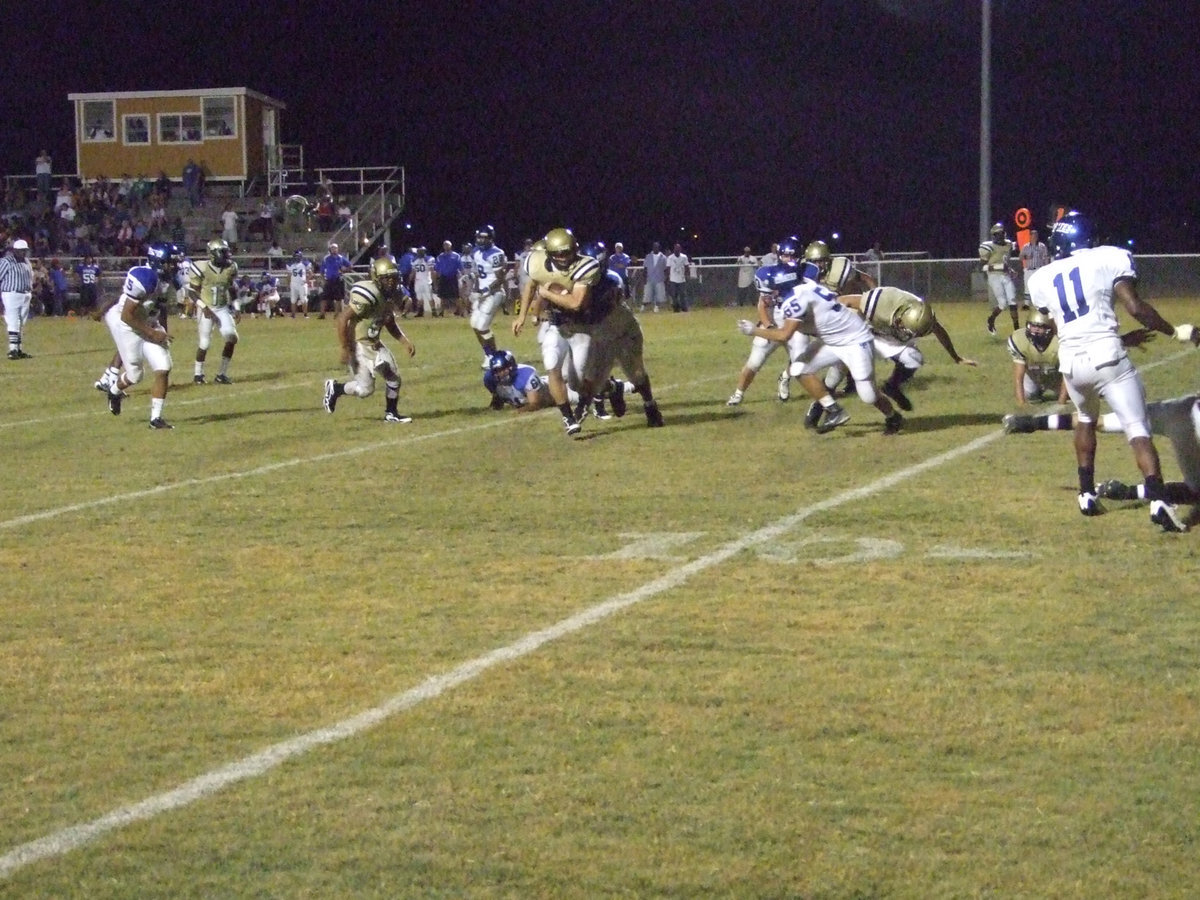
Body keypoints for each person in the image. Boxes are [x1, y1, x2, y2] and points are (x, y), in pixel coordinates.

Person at [1026, 210, 1199, 530]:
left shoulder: (1041, 278)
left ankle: (1086, 493)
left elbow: (1061, 326)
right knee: (1138, 427)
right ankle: (1159, 499)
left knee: (1086, 420)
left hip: (1073, 364)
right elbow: (1135, 307)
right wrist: (1175, 331)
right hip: (1107, 358)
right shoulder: (1109, 257)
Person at [738, 270, 903, 435]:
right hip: (832, 339)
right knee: (798, 369)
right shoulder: (803, 288)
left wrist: (754, 330)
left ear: (779, 288)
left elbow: (784, 335)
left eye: (767, 293)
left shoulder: (795, 301)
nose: (765, 298)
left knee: (868, 395)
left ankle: (893, 416)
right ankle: (834, 410)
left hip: (854, 340)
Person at [533, 227, 663, 430]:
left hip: (621, 332)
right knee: (583, 379)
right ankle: (612, 389)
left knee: (636, 374)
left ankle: (650, 405)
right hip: (598, 334)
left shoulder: (610, 282)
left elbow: (580, 306)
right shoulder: (578, 277)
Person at [1004, 393, 1200, 521]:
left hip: (1180, 409)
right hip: (1185, 418)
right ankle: (1129, 492)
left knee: (1095, 422)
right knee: (1195, 490)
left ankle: (1031, 423)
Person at [833, 286, 977, 416]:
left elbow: (940, 331)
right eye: (905, 329)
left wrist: (956, 357)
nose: (908, 335)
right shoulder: (882, 303)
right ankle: (822, 402)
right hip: (863, 330)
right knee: (838, 371)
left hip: (884, 335)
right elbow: (845, 300)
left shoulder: (922, 316)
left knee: (913, 358)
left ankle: (892, 387)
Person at [776, 239, 879, 401]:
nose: (819, 265)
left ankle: (835, 385)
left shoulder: (838, 270)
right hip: (808, 318)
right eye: (814, 262)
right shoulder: (802, 273)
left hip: (833, 315)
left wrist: (876, 294)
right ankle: (785, 377)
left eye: (821, 261)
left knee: (843, 347)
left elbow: (865, 278)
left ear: (828, 260)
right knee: (801, 353)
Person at [99, 242, 184, 429]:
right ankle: (114, 391)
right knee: (135, 376)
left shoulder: (170, 280)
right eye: (171, 262)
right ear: (159, 262)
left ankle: (155, 419)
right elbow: (126, 315)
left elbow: (160, 306)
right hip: (129, 326)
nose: (175, 266)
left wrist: (161, 329)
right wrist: (151, 332)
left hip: (149, 323)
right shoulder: (144, 277)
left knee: (163, 367)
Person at [322, 256, 416, 423]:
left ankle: (391, 414)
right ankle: (335, 388)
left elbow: (389, 320)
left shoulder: (391, 294)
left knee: (394, 378)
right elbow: (343, 319)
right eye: (387, 279)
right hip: (358, 345)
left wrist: (404, 341)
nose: (392, 283)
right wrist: (345, 347)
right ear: (377, 278)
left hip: (374, 344)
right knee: (364, 390)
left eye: (394, 278)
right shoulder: (368, 294)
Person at [726, 238, 805, 406]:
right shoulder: (772, 275)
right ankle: (738, 393)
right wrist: (767, 325)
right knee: (754, 362)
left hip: (796, 325)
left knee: (800, 363)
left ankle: (784, 377)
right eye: (784, 256)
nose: (788, 260)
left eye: (792, 256)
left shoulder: (805, 275)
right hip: (775, 322)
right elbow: (762, 303)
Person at [186, 238, 240, 384]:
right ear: (214, 253)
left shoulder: (231, 267)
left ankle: (221, 374)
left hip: (222, 308)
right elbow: (191, 292)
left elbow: (232, 288)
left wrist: (236, 307)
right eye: (223, 251)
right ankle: (198, 375)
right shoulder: (201, 267)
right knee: (204, 343)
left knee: (232, 337)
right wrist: (203, 307)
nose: (227, 254)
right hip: (207, 307)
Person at [1007, 309, 1067, 406]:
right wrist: (1021, 404)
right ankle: (1036, 391)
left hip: (1057, 375)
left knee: (1075, 393)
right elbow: (1018, 376)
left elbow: (1067, 374)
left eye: (1040, 326)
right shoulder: (1020, 340)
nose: (1036, 330)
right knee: (1029, 394)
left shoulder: (1061, 340)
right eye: (1033, 326)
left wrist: (1061, 402)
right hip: (1033, 375)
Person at [467, 226, 508, 364]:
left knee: (482, 325)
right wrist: (473, 279)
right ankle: (489, 354)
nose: (481, 240)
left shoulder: (496, 253)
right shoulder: (476, 252)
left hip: (494, 293)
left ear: (491, 238)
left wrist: (486, 290)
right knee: (474, 324)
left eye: (484, 237)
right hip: (483, 293)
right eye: (479, 237)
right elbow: (482, 271)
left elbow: (500, 278)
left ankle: (494, 356)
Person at [982, 221, 1019, 336]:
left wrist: (1009, 269)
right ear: (994, 236)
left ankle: (1017, 330)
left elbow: (1005, 261)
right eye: (998, 234)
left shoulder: (1008, 244)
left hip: (1005, 275)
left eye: (1002, 233)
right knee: (1002, 303)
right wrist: (999, 267)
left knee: (1012, 300)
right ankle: (991, 319)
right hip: (994, 276)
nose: (1001, 236)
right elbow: (983, 267)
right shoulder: (988, 247)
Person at [1, 238, 34, 359]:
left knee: (21, 322)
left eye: (24, 250)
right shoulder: (7, 261)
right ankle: (13, 349)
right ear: (14, 250)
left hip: (25, 294)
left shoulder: (26, 262)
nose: (23, 253)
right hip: (12, 293)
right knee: (13, 320)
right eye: (20, 251)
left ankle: (18, 348)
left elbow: (30, 277)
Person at [315, 240, 350, 319]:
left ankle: (336, 314)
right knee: (324, 297)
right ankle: (322, 313)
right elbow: (322, 270)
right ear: (330, 250)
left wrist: (344, 270)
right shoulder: (326, 259)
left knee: (338, 298)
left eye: (335, 248)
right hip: (329, 280)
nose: (334, 250)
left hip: (338, 279)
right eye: (333, 248)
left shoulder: (341, 258)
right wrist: (323, 279)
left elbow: (350, 266)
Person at [1018, 227, 1050, 309]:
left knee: (1040, 286)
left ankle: (1041, 303)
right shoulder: (1026, 246)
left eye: (1036, 236)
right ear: (1030, 237)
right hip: (1029, 269)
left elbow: (1046, 257)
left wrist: (1046, 268)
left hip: (1039, 268)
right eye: (1032, 236)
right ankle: (1027, 304)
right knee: (1027, 286)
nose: (1034, 237)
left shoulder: (1041, 246)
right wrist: (1026, 256)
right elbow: (1020, 257)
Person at [433, 240, 461, 318]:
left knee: (455, 296)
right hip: (444, 277)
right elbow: (437, 269)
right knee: (442, 296)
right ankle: (441, 312)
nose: (446, 246)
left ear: (450, 246)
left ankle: (459, 310)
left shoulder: (456, 256)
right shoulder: (440, 257)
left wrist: (462, 276)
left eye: (447, 245)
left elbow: (460, 267)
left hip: (453, 277)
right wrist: (437, 279)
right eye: (445, 245)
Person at [640, 242, 667, 313]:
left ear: (659, 248)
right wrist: (644, 278)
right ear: (652, 248)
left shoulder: (663, 257)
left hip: (659, 279)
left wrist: (665, 279)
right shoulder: (648, 256)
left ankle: (656, 307)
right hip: (649, 278)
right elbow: (645, 268)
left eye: (657, 247)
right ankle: (643, 307)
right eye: (654, 247)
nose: (656, 248)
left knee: (659, 295)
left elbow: (665, 269)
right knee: (647, 294)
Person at [410, 246, 436, 318]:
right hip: (419, 281)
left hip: (426, 280)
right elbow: (413, 272)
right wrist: (410, 280)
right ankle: (420, 312)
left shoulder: (428, 259)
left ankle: (433, 312)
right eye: (419, 252)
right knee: (419, 298)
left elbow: (432, 271)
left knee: (429, 297)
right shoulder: (415, 260)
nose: (420, 253)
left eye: (421, 252)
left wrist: (410, 280)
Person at [286, 250, 313, 318]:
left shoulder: (305, 263)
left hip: (302, 284)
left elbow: (311, 273)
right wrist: (288, 284)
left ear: (301, 257)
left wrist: (306, 281)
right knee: (293, 299)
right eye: (295, 256)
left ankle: (305, 314)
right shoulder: (290, 265)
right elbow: (289, 275)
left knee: (304, 299)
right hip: (293, 283)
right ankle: (293, 315)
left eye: (298, 256)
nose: (296, 258)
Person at [666, 242, 690, 312]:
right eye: (676, 249)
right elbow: (668, 268)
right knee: (674, 295)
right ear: (674, 250)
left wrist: (687, 275)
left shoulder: (684, 257)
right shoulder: (670, 258)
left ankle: (684, 308)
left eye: (678, 248)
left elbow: (686, 267)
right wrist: (668, 278)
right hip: (673, 279)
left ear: (680, 249)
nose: (677, 250)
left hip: (682, 279)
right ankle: (676, 309)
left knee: (683, 295)